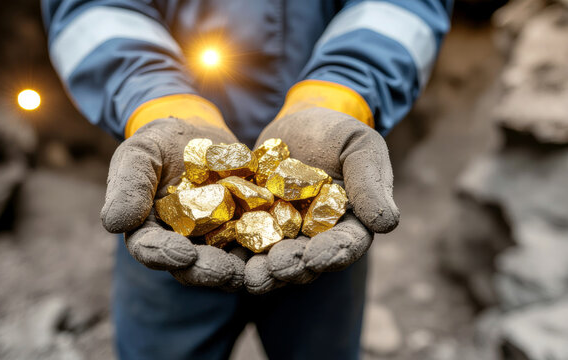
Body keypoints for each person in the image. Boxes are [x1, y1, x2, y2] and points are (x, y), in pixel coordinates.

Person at [43, 1, 452, 358]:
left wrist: (340, 93)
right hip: (164, 197)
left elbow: (401, 7)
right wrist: (156, 103)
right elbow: (89, 11)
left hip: (324, 215)